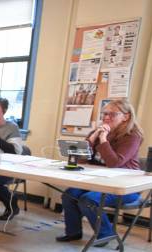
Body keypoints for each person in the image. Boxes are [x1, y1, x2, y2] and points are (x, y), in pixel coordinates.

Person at [57, 98, 143, 244]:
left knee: (89, 199)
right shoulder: (99, 131)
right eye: (105, 114)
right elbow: (80, 159)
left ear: (126, 116)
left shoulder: (132, 136)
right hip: (98, 181)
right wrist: (92, 138)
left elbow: (114, 163)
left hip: (125, 187)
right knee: (69, 195)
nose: (106, 117)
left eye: (112, 114)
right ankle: (74, 232)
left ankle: (105, 235)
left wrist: (103, 140)